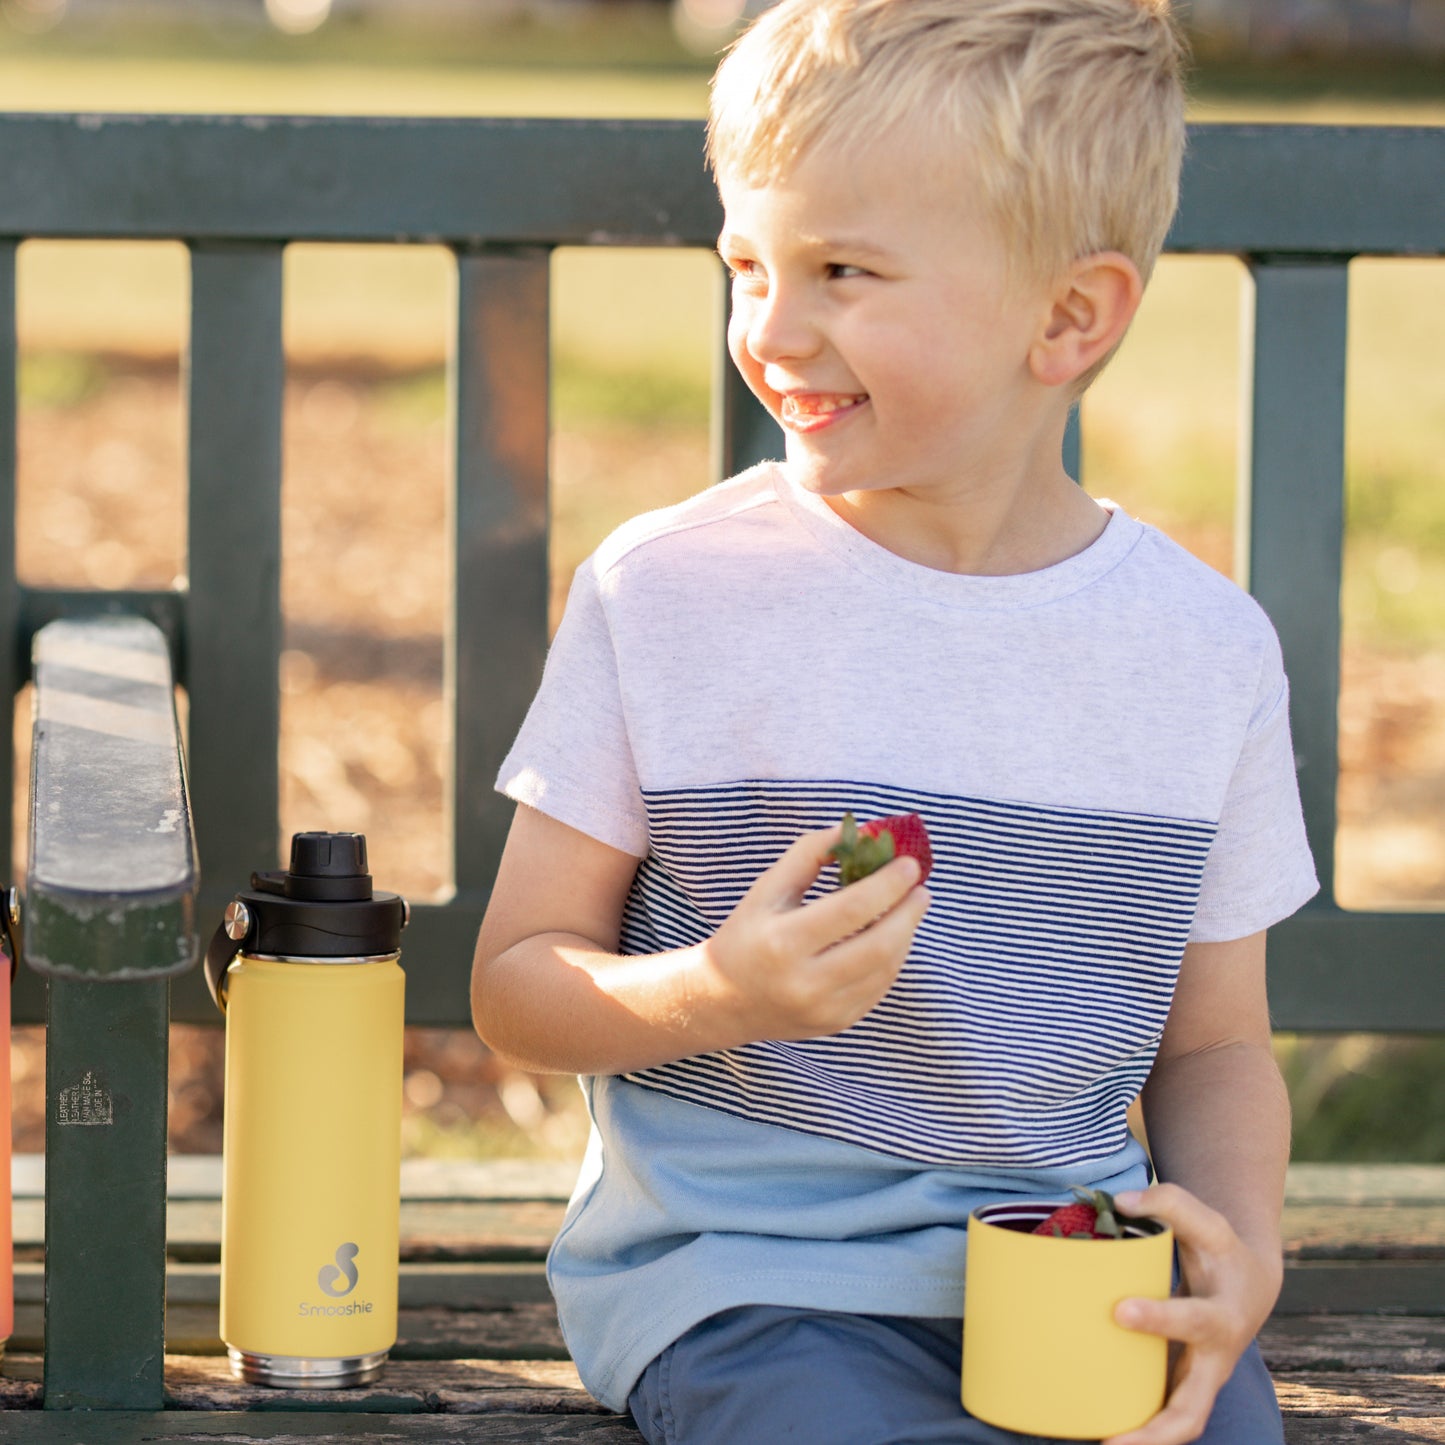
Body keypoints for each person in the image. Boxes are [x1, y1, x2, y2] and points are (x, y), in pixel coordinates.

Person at [470, 0, 1319, 1439]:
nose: (771, 327)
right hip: (750, 1281)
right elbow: (514, 984)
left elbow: (1213, 1046)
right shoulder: (671, 592)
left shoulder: (1199, 653)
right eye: (748, 263)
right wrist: (717, 992)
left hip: (1073, 1269)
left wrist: (1236, 1251)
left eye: (841, 271)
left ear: (1069, 316)